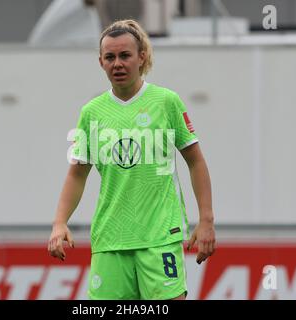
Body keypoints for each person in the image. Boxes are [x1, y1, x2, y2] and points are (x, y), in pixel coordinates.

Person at [48, 19, 216, 300]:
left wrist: (206, 220)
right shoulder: (93, 112)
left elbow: (196, 161)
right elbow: (77, 174)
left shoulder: (166, 102)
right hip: (111, 239)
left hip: (161, 235)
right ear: (100, 62)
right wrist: (59, 222)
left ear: (142, 57)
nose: (118, 64)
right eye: (110, 57)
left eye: (125, 55)